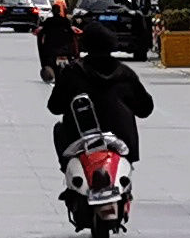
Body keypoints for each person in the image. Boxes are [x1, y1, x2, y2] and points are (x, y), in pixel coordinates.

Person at [48, 26, 152, 177]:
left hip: (80, 140)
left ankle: (69, 174)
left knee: (59, 129)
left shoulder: (72, 72)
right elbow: (145, 109)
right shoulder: (125, 74)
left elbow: (55, 107)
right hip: (122, 143)